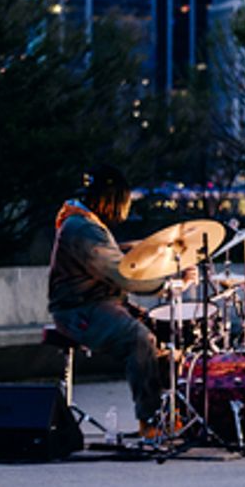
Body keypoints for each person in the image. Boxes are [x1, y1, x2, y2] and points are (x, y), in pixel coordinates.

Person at [48, 165, 172, 438]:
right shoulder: (80, 227)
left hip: (98, 303)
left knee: (163, 333)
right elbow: (121, 274)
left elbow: (111, 255)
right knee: (139, 338)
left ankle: (170, 414)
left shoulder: (87, 222)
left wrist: (143, 249)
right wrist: (166, 284)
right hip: (77, 311)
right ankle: (149, 422)